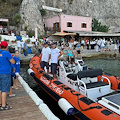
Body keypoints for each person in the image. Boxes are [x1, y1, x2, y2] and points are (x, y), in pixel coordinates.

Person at [0, 41, 15, 111]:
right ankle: (3, 106)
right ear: (6, 47)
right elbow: (13, 62)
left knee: (0, 89)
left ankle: (0, 103)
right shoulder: (6, 53)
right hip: (5, 73)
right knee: (5, 90)